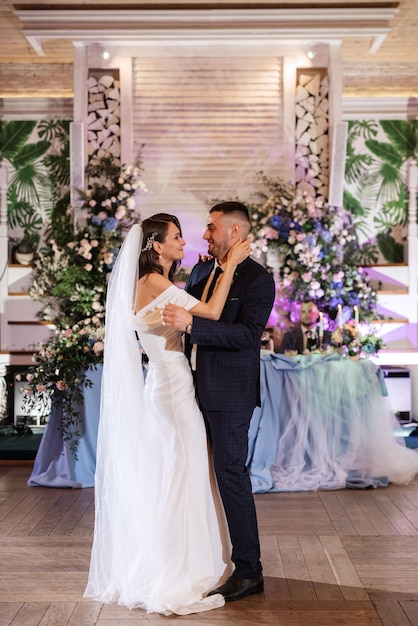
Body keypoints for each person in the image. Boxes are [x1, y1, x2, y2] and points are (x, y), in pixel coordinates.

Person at [84, 213, 250, 616]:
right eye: (176, 237)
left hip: (163, 385)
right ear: (156, 246)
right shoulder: (155, 283)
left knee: (177, 472)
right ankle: (181, 568)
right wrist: (228, 267)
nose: (183, 242)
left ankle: (174, 558)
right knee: (186, 473)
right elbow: (210, 312)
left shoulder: (145, 284)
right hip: (174, 390)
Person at [161, 201, 276, 603]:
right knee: (196, 476)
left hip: (230, 394)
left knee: (230, 475)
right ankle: (201, 560)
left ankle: (249, 571)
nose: (204, 235)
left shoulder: (258, 280)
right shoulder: (201, 270)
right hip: (190, 389)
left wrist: (193, 324)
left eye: (211, 228)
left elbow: (247, 336)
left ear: (235, 233)